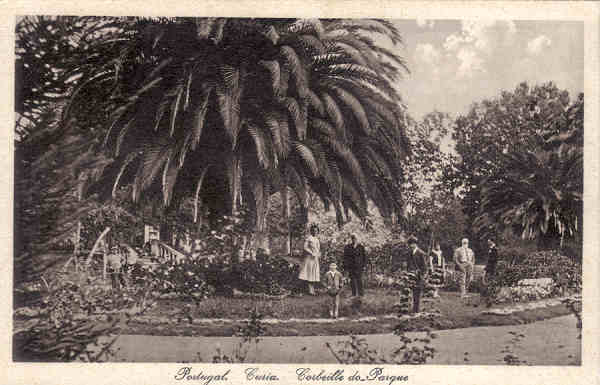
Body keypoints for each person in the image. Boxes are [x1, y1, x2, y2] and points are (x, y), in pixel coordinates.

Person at [407, 236, 430, 313]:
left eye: (413, 244)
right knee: (411, 291)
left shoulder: (421, 253)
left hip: (418, 275)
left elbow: (424, 266)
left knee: (417, 292)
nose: (411, 246)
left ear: (416, 244)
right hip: (411, 274)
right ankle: (412, 308)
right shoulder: (410, 253)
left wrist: (422, 275)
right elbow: (408, 264)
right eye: (410, 244)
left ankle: (416, 309)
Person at [299, 224, 321, 295]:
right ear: (311, 231)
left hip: (315, 259)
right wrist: (311, 253)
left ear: (318, 231)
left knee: (313, 273)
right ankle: (306, 290)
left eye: (316, 231)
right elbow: (305, 247)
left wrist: (318, 254)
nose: (315, 232)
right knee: (308, 273)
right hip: (309, 258)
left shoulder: (317, 239)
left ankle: (311, 290)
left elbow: (317, 249)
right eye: (314, 231)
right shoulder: (309, 238)